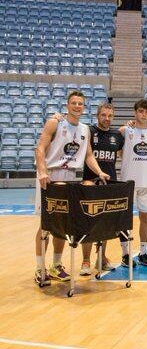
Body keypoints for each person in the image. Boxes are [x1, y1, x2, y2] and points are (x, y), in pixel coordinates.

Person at [34, 90, 110, 286]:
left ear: (84, 107)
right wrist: (42, 172)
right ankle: (40, 268)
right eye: (74, 103)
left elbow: (88, 156)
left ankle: (56, 265)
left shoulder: (85, 130)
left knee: (61, 224)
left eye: (80, 103)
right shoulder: (55, 122)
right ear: (68, 105)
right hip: (50, 175)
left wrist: (100, 172)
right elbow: (40, 148)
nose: (77, 106)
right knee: (45, 225)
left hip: (69, 177)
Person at [79, 103, 125, 275]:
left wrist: (128, 127)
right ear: (97, 115)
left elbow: (122, 153)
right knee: (88, 224)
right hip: (90, 183)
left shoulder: (117, 136)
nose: (107, 118)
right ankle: (85, 261)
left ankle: (102, 258)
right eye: (103, 115)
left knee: (106, 224)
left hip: (109, 183)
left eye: (110, 115)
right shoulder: (89, 132)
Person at [120, 99, 147, 267]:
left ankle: (143, 253)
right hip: (129, 182)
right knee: (124, 219)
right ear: (135, 112)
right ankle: (125, 254)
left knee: (145, 217)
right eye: (141, 111)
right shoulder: (125, 130)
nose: (143, 115)